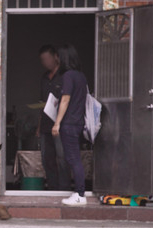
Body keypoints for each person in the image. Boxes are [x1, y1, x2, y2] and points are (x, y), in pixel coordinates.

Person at [51, 44, 88, 206]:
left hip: (69, 123)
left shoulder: (68, 76)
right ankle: (79, 193)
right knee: (74, 158)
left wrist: (57, 123)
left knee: (73, 159)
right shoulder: (80, 76)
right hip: (78, 122)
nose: (56, 59)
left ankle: (80, 194)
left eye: (58, 56)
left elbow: (65, 99)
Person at [36, 45, 70, 191]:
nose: (45, 62)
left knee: (62, 157)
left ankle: (64, 188)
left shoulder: (65, 76)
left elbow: (67, 100)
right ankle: (53, 187)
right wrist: (38, 127)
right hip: (45, 124)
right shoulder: (44, 78)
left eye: (47, 59)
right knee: (46, 158)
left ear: (56, 57)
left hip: (60, 124)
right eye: (42, 60)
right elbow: (42, 104)